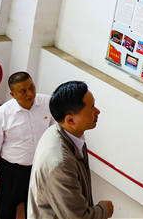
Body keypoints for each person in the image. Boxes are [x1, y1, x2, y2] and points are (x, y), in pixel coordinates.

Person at [27, 81, 113, 219]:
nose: (97, 112)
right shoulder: (60, 164)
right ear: (70, 120)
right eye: (91, 108)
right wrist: (104, 210)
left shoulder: (62, 132)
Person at [0, 72, 53, 219]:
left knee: (37, 212)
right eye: (23, 91)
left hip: (39, 170)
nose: (30, 94)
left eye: (32, 87)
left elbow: (54, 134)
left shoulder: (48, 103)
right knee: (6, 212)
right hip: (11, 172)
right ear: (13, 94)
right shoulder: (1, 115)